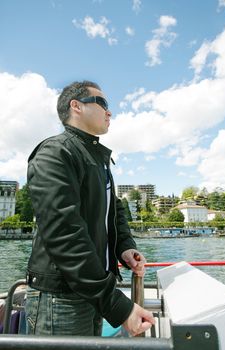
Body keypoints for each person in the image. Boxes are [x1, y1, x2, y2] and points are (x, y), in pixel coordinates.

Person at [25, 80, 154, 337]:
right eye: (103, 103)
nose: (110, 112)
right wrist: (116, 305)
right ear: (76, 106)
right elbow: (64, 233)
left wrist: (125, 247)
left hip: (93, 294)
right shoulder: (55, 153)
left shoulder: (98, 160)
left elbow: (113, 211)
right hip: (61, 298)